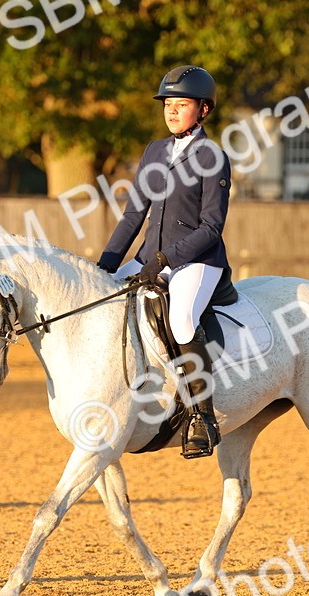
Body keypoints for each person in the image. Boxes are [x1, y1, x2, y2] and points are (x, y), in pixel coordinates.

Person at [97, 65, 237, 459]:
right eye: (168, 105)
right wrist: (105, 266)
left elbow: (212, 227)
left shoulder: (214, 157)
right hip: (150, 258)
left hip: (197, 261)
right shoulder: (154, 151)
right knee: (107, 299)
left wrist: (165, 259)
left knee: (181, 320)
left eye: (181, 105)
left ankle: (201, 417)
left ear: (204, 110)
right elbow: (133, 215)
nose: (172, 111)